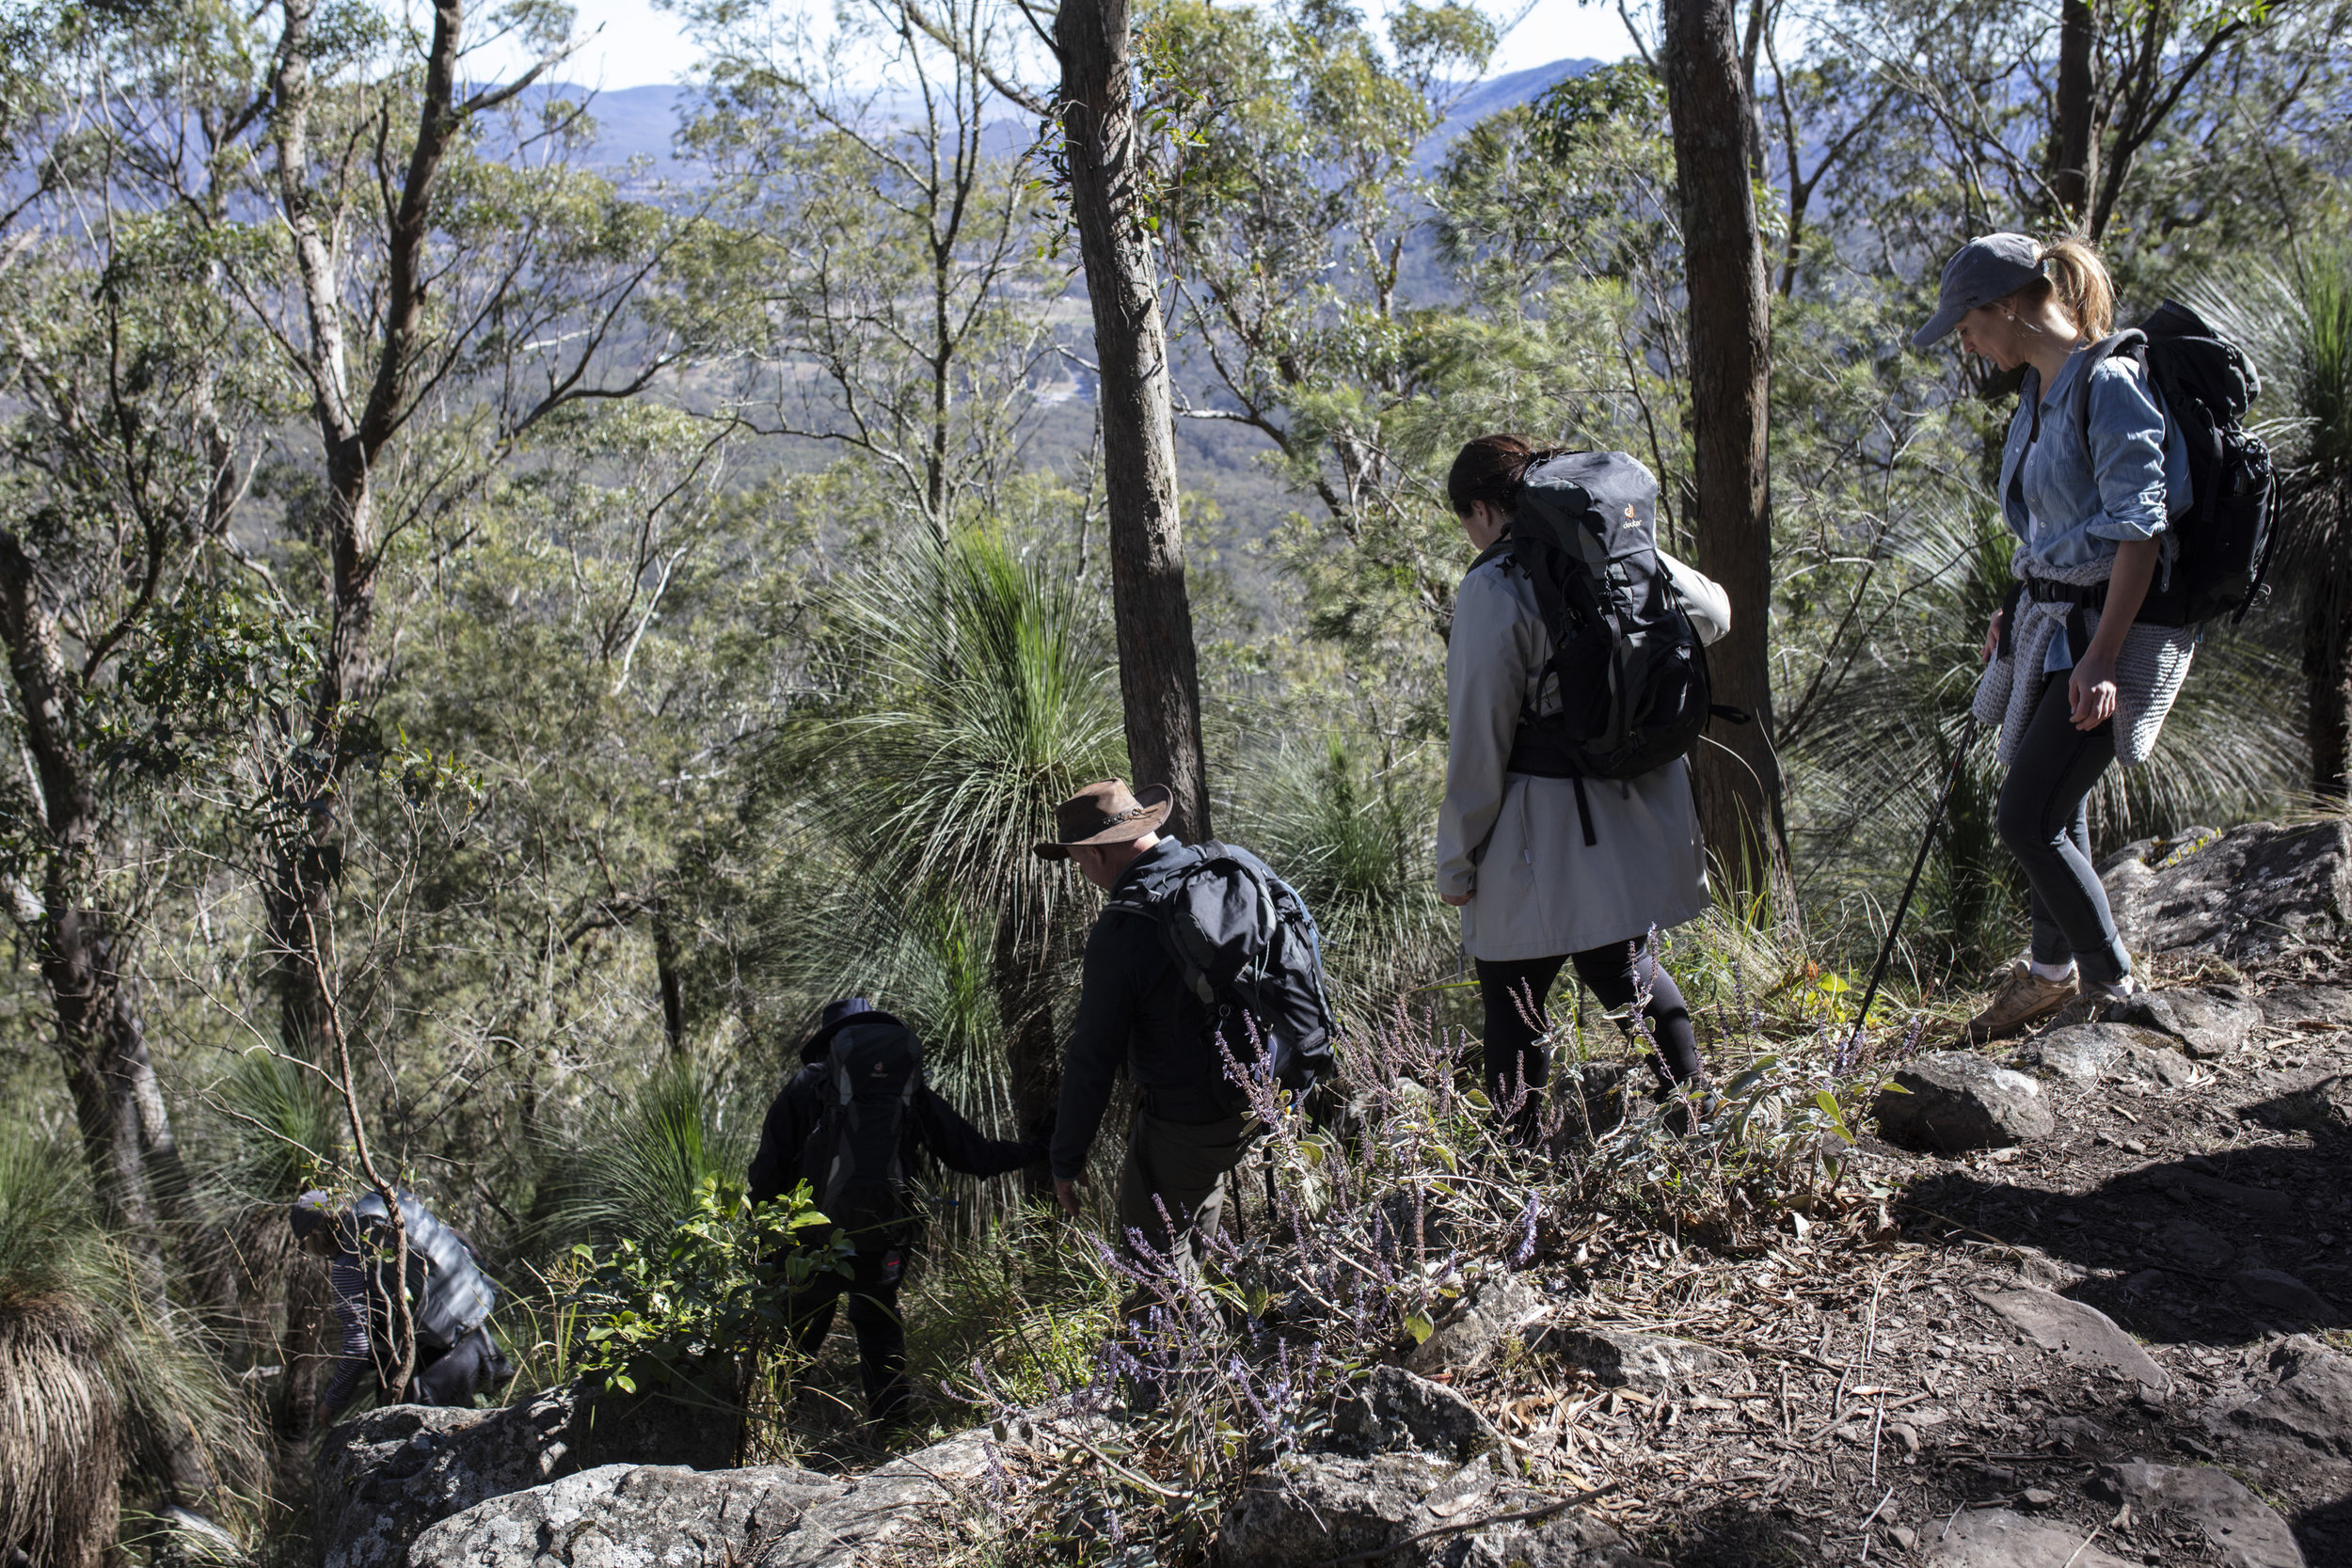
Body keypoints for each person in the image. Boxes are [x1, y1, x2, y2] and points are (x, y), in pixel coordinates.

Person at [1913, 234, 2194, 1041]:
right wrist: (2021, 598)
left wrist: (2103, 654)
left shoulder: (2108, 384)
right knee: (2055, 810)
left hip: (2110, 637)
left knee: (2024, 817)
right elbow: (2055, 529)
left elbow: (2139, 532)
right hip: (2053, 626)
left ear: (2006, 305)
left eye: (1965, 325)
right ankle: (2046, 976)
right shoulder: (2040, 392)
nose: (1964, 342)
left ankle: (2110, 983)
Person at [1434, 437, 1727, 1140]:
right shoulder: (1609, 553)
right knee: (1625, 964)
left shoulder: (1495, 582)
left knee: (1511, 992)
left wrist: (1457, 858)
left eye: (1465, 520)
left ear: (1482, 508)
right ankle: (1698, 1115)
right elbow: (1714, 613)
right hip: (1630, 808)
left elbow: (1481, 737)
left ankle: (1516, 1159)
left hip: (1542, 832)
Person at [747, 997, 1041, 1428]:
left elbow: (768, 1169)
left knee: (795, 1338)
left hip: (810, 1242)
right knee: (879, 1328)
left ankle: (767, 1431)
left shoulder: (809, 1085)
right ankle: (892, 1436)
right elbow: (973, 1155)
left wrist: (764, 1237)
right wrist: (1042, 1148)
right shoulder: (907, 1092)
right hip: (884, 1236)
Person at [1038, 780, 1265, 1274]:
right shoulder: (1222, 869)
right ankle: (1213, 1340)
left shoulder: (1124, 928)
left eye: (1078, 861)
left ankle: (1190, 1350)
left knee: (1152, 1263)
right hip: (1261, 1093)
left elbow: (1092, 1057)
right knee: (1189, 1242)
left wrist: (1065, 1162)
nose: (1083, 873)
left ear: (1096, 855)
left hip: (1188, 1118)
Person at [291, 1188, 513, 1426]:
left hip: (431, 1373)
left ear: (316, 1235)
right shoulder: (391, 1225)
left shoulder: (349, 1265)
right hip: (476, 1343)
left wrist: (332, 1402)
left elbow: (356, 1348)